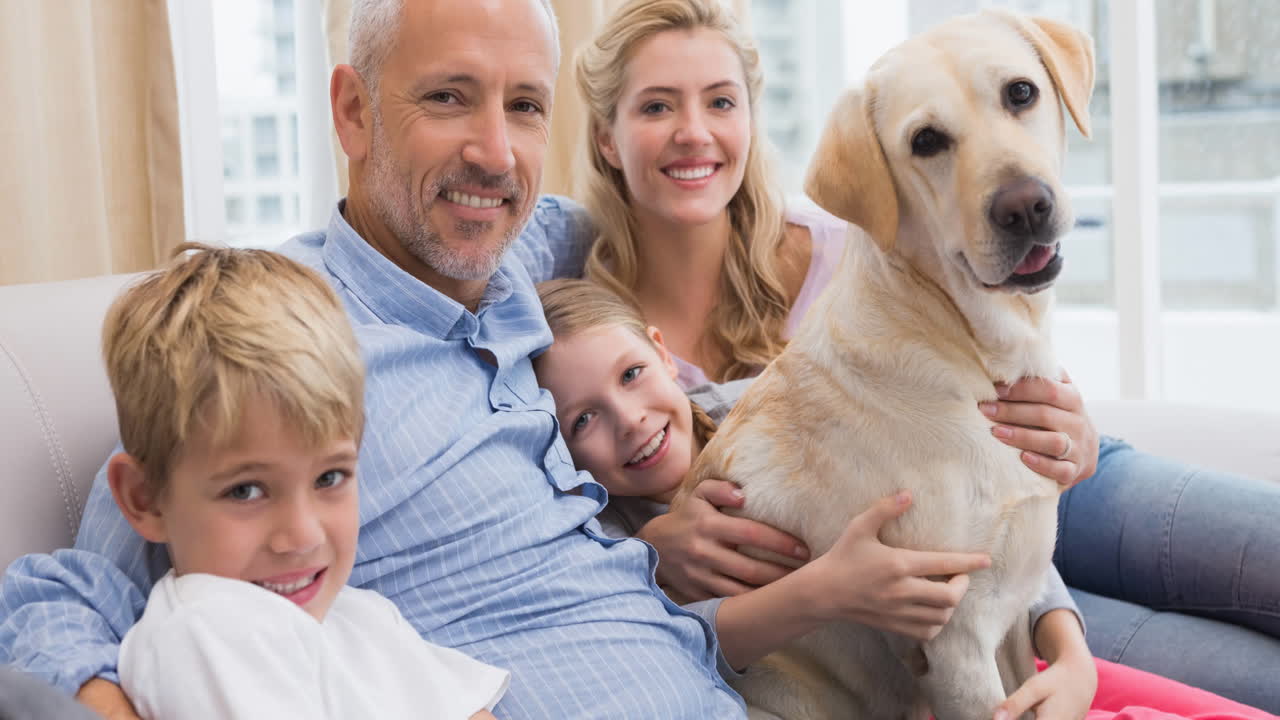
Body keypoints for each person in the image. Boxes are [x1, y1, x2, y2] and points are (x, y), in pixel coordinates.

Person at [0, 1, 745, 718]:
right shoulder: (278, 337)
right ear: (354, 111)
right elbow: (69, 594)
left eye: (525, 106)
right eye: (448, 97)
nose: (495, 155)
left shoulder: (528, 249)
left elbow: (657, 224)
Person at [571, 0, 1280, 711]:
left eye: (720, 101)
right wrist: (652, 554)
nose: (694, 133)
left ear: (750, 119)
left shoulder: (862, 239)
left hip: (1057, 477)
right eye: (657, 107)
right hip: (951, 578)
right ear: (606, 136)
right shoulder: (592, 342)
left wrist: (1077, 436)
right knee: (1255, 679)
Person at [531, 276, 1277, 720]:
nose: (628, 420)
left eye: (632, 375)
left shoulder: (768, 408)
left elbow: (971, 506)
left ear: (665, 355)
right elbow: (678, 654)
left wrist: (1070, 650)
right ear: (557, 446)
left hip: (1024, 565)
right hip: (947, 647)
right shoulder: (603, 545)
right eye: (583, 420)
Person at [99, 245, 508, 720]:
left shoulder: (360, 617)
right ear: (145, 499)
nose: (303, 535)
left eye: (329, 477)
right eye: (246, 490)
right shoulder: (202, 629)